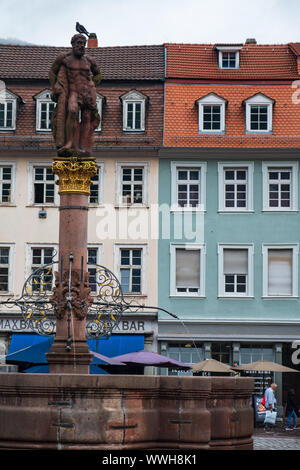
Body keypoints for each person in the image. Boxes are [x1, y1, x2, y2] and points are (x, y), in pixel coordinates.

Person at [49, 33, 102, 158]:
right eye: (78, 43)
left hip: (87, 92)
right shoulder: (65, 58)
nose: (81, 46)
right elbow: (52, 71)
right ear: (72, 45)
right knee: (72, 112)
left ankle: (82, 145)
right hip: (73, 91)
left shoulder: (89, 60)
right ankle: (69, 143)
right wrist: (55, 87)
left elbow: (98, 74)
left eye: (83, 44)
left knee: (86, 117)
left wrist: (92, 84)